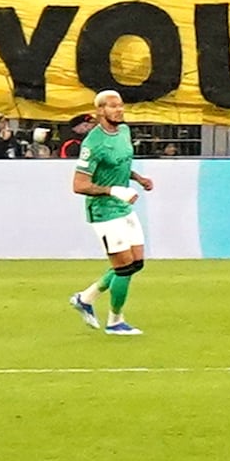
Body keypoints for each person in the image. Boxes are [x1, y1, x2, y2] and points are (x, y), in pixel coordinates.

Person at [65, 91, 147, 337]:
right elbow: (79, 185)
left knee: (136, 263)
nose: (119, 110)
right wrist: (113, 190)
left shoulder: (124, 131)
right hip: (104, 211)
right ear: (100, 111)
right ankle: (115, 321)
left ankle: (85, 298)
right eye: (113, 106)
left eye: (121, 105)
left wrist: (138, 178)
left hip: (123, 206)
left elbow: (121, 162)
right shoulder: (93, 144)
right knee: (124, 267)